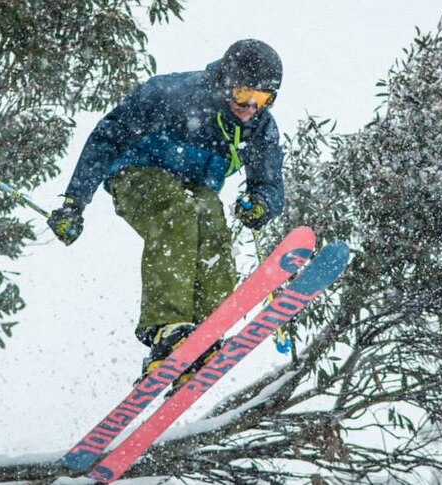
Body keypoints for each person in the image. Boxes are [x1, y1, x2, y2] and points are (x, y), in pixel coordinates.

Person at [47, 39, 285, 384]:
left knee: (210, 215)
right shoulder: (173, 93)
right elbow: (106, 138)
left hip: (195, 187)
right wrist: (74, 202)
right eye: (243, 93)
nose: (250, 106)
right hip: (137, 173)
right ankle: (167, 328)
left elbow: (268, 181)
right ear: (224, 82)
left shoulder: (258, 126)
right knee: (177, 212)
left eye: (262, 99)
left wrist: (261, 203)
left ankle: (205, 332)